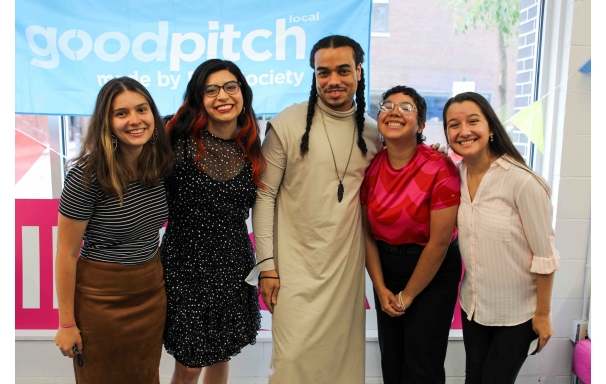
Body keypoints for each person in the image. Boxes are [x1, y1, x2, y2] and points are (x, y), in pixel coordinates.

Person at [251, 35, 382, 383]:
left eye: (342, 70)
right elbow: (263, 197)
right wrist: (266, 267)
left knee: (342, 365)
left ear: (358, 70)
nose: (333, 81)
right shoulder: (288, 124)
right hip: (293, 269)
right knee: (291, 362)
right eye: (323, 72)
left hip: (344, 272)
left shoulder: (372, 132)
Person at [54, 77, 173, 383]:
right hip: (101, 300)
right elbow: (66, 254)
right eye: (121, 113)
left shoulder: (159, 164)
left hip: (150, 291)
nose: (135, 120)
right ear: (106, 122)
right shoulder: (86, 176)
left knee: (147, 376)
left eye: (142, 109)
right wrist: (66, 324)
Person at [442, 92, 560, 384]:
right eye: (453, 125)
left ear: (491, 127)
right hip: (474, 307)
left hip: (517, 314)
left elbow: (545, 256)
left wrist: (542, 315)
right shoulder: (454, 176)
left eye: (473, 121)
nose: (464, 131)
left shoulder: (522, 182)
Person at [160, 59, 265, 384]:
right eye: (211, 89)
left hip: (233, 268)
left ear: (242, 93)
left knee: (222, 352)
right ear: (199, 98)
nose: (223, 95)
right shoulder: (175, 140)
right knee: (189, 365)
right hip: (185, 269)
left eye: (230, 86)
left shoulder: (252, 146)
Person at [361, 85, 462, 384]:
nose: (394, 111)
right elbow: (366, 234)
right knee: (392, 363)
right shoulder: (372, 166)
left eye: (406, 108)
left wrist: (408, 295)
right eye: (387, 105)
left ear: (420, 125)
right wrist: (380, 288)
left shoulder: (438, 166)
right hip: (387, 268)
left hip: (433, 270)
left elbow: (440, 241)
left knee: (422, 366)